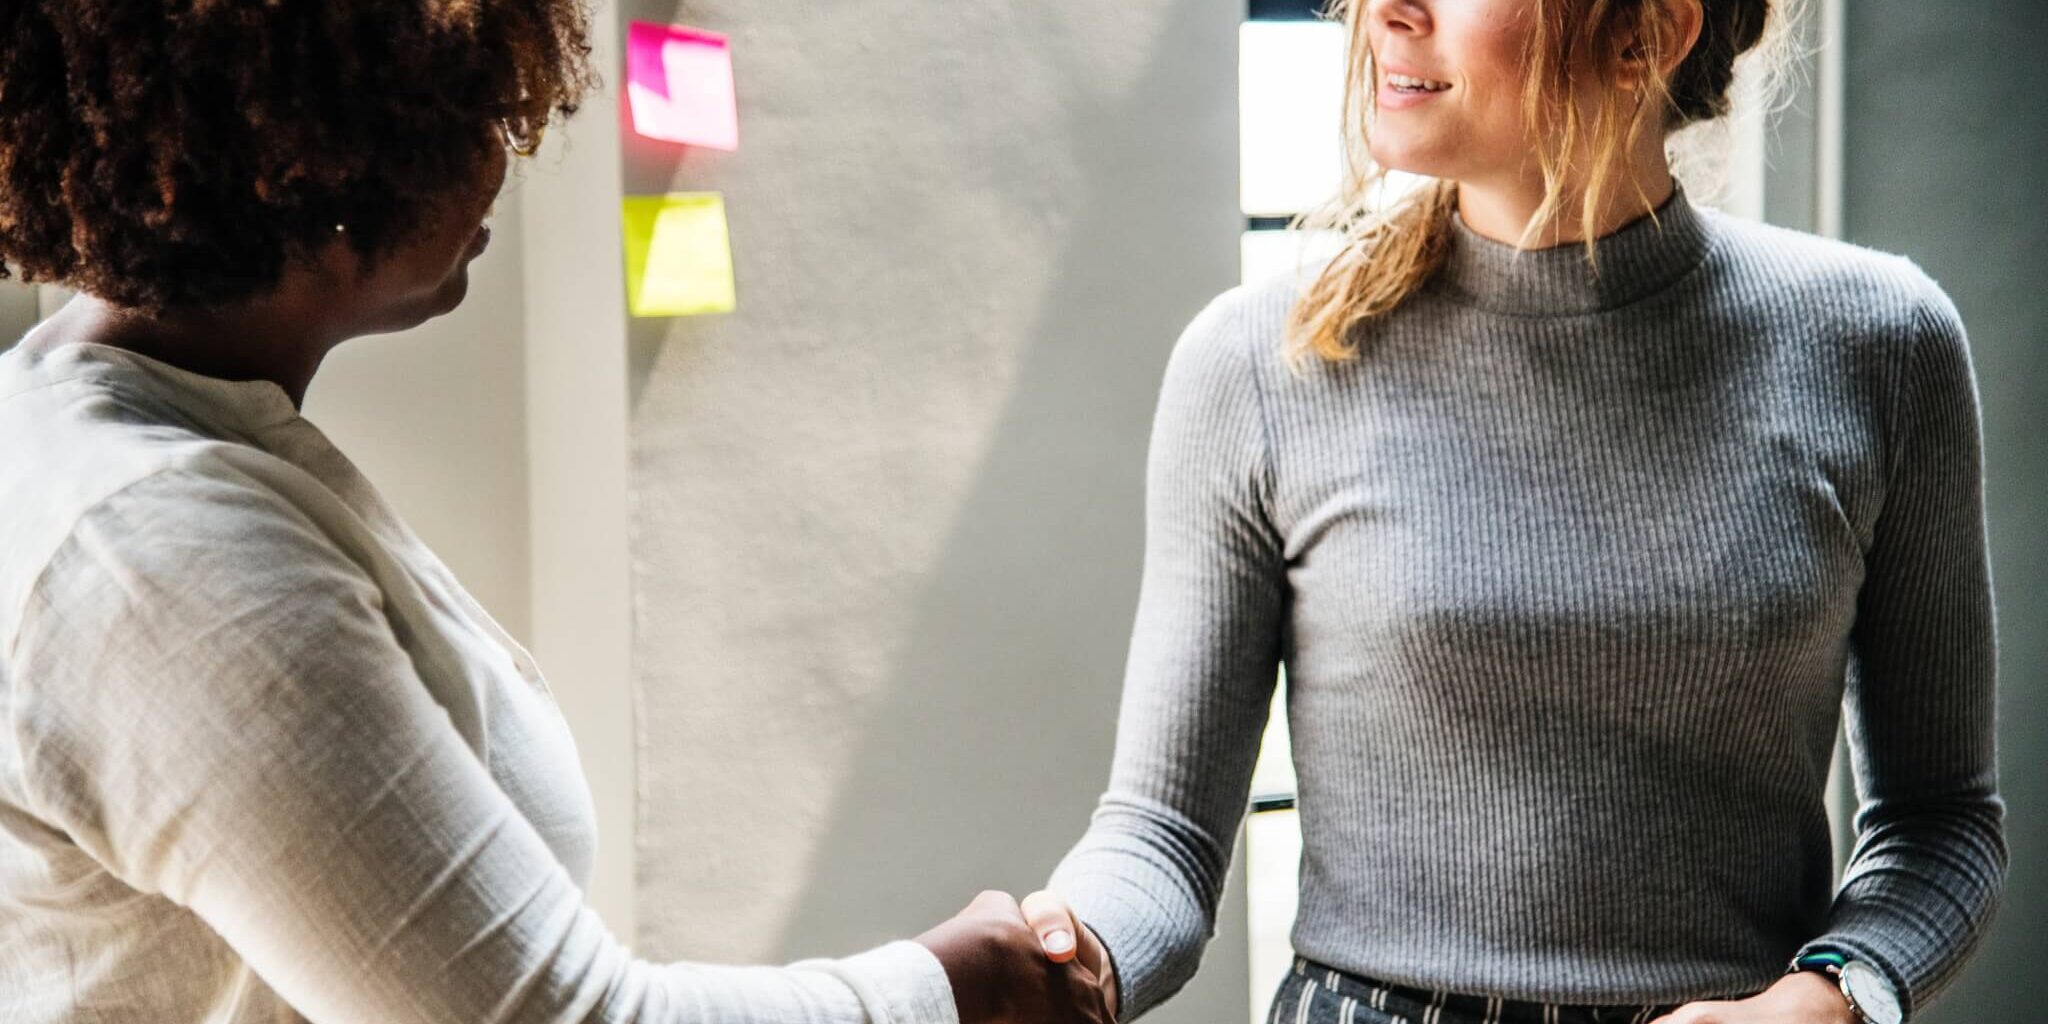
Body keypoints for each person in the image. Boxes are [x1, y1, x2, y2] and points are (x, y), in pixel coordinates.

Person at [0, 3, 1110, 1023]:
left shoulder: (91, 427)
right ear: (321, 157)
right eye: (469, 114)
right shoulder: (165, 561)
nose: (506, 154)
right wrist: (955, 981)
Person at [1009, 0, 2008, 1022]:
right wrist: (1055, 956)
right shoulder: (1257, 362)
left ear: (1648, 31)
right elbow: (1161, 837)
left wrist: (1825, 998)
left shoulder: (1878, 343)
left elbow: (1939, 823)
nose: (1384, 12)